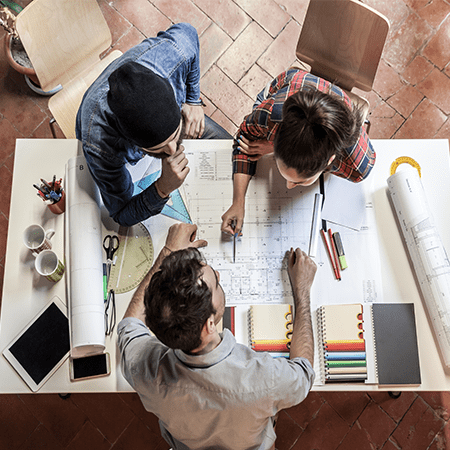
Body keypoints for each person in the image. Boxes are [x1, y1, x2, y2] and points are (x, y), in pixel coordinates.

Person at [118, 222, 316, 449]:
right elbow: (303, 373)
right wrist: (302, 290)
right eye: (217, 283)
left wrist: (168, 254)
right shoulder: (265, 380)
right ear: (209, 324)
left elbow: (128, 325)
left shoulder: (144, 370)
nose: (219, 274)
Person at [76, 23, 231, 227]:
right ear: (132, 143)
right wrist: (162, 188)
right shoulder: (99, 145)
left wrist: (193, 100)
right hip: (103, 135)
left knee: (230, 149)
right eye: (159, 148)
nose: (174, 151)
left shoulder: (174, 54)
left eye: (176, 136)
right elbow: (121, 214)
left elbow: (189, 32)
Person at [221, 67, 375, 236]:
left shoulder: (357, 167)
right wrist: (238, 202)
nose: (288, 186)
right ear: (275, 136)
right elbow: (244, 137)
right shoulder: (270, 114)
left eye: (300, 181)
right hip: (290, 85)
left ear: (330, 161)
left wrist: (271, 146)